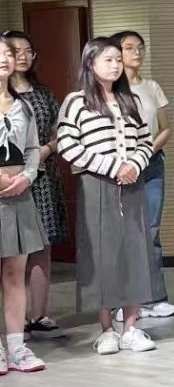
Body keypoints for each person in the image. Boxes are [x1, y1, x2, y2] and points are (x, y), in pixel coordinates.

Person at [57, 37, 157, 355]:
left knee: (134, 253)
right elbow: (67, 145)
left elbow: (146, 141)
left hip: (132, 185)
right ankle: (106, 330)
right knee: (101, 255)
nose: (115, 65)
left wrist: (134, 165)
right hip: (97, 185)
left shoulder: (131, 100)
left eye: (117, 60)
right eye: (108, 60)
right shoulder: (76, 101)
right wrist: (113, 166)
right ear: (90, 63)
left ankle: (131, 327)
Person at [4, 31, 68, 338]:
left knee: (42, 245)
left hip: (41, 176)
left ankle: (39, 315)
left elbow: (60, 130)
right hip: (7, 179)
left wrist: (46, 150)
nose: (21, 56)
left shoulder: (42, 94)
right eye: (14, 51)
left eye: (27, 51)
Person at [112, 31, 174, 321]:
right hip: (119, 167)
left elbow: (165, 128)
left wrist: (144, 153)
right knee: (124, 234)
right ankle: (126, 301)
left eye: (140, 47)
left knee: (150, 231)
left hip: (151, 163)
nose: (137, 52)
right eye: (129, 48)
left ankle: (155, 297)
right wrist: (129, 160)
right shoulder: (109, 89)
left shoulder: (152, 87)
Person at [0, 41, 48, 374]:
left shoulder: (23, 106)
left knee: (15, 274)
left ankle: (17, 346)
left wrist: (27, 176)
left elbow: (32, 148)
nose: (5, 59)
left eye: (7, 53)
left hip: (18, 195)